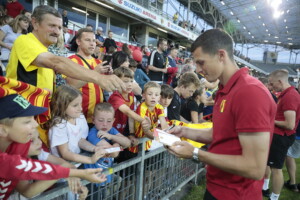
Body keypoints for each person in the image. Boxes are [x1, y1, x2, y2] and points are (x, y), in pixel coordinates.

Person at [166, 29, 277, 200]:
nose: (198, 69)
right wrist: (183, 131)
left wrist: (196, 153)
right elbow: (218, 133)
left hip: (236, 195)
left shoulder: (249, 92)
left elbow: (254, 168)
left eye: (201, 62)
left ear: (221, 55)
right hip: (218, 188)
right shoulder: (225, 90)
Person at [0, 93, 107, 200]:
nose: (36, 124)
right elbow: (18, 165)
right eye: (27, 121)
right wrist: (76, 173)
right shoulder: (10, 157)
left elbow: (27, 191)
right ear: (2, 129)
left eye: (33, 118)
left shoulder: (20, 145)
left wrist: (71, 172)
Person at [5, 5, 125, 94]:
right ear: (35, 23)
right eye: (52, 26)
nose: (57, 32)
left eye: (59, 27)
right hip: (20, 119)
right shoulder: (24, 41)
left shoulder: (45, 51)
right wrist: (98, 77)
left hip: (38, 118)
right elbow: (57, 63)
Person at [9, 130, 89, 200]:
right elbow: (27, 191)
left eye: (38, 137)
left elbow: (64, 164)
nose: (39, 142)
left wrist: (78, 186)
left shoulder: (39, 154)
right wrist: (61, 172)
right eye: (32, 141)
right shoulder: (13, 161)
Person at [263, 69, 300, 200]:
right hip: (278, 135)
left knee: (276, 169)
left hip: (281, 137)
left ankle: (274, 197)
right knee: (270, 165)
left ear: (280, 81)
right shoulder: (286, 94)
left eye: (272, 84)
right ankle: (267, 189)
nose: (271, 87)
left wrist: (269, 120)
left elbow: (289, 124)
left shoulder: (290, 96)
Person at [48, 85, 107, 164]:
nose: (80, 108)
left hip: (77, 163)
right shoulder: (59, 125)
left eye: (80, 104)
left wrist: (95, 149)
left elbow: (81, 141)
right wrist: (89, 160)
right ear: (62, 106)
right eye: (75, 105)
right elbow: (65, 153)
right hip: (63, 168)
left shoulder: (80, 117)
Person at [67, 28, 111, 125]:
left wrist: (109, 77)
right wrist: (95, 72)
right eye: (87, 40)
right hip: (77, 118)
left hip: (97, 118)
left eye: (94, 41)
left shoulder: (99, 63)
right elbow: (71, 85)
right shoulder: (71, 61)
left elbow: (105, 88)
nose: (92, 44)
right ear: (78, 41)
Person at [128, 81, 168, 153]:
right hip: (136, 145)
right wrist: (163, 139)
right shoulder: (142, 108)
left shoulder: (159, 107)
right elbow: (146, 131)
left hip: (148, 142)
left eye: (156, 95)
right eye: (150, 94)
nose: (153, 97)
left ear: (159, 97)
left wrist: (167, 133)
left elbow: (164, 123)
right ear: (143, 96)